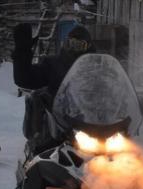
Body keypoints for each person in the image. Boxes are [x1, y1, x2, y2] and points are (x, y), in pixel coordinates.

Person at [13, 23, 95, 155]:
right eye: (71, 43)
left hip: (92, 122)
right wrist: (22, 51)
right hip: (59, 125)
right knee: (44, 154)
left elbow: (113, 87)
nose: (74, 49)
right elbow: (25, 79)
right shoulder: (54, 64)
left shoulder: (96, 67)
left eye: (80, 45)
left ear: (88, 47)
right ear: (65, 43)